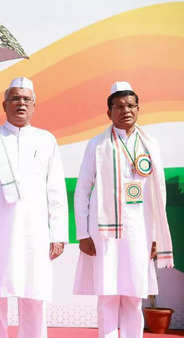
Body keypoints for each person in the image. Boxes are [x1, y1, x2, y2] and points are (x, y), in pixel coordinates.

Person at [0, 77, 68, 338]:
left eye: (26, 99)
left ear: (34, 105)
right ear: (4, 104)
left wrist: (58, 234)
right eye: (15, 98)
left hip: (35, 233)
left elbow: (56, 191)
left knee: (34, 296)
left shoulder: (46, 140)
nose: (20, 103)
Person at [73, 81, 173, 338]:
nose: (125, 110)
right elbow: (83, 189)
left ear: (138, 109)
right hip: (104, 234)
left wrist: (156, 238)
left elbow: (158, 193)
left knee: (133, 295)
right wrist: (83, 234)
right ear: (109, 113)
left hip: (140, 231)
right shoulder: (97, 145)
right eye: (119, 106)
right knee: (107, 295)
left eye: (130, 105)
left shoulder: (150, 145)